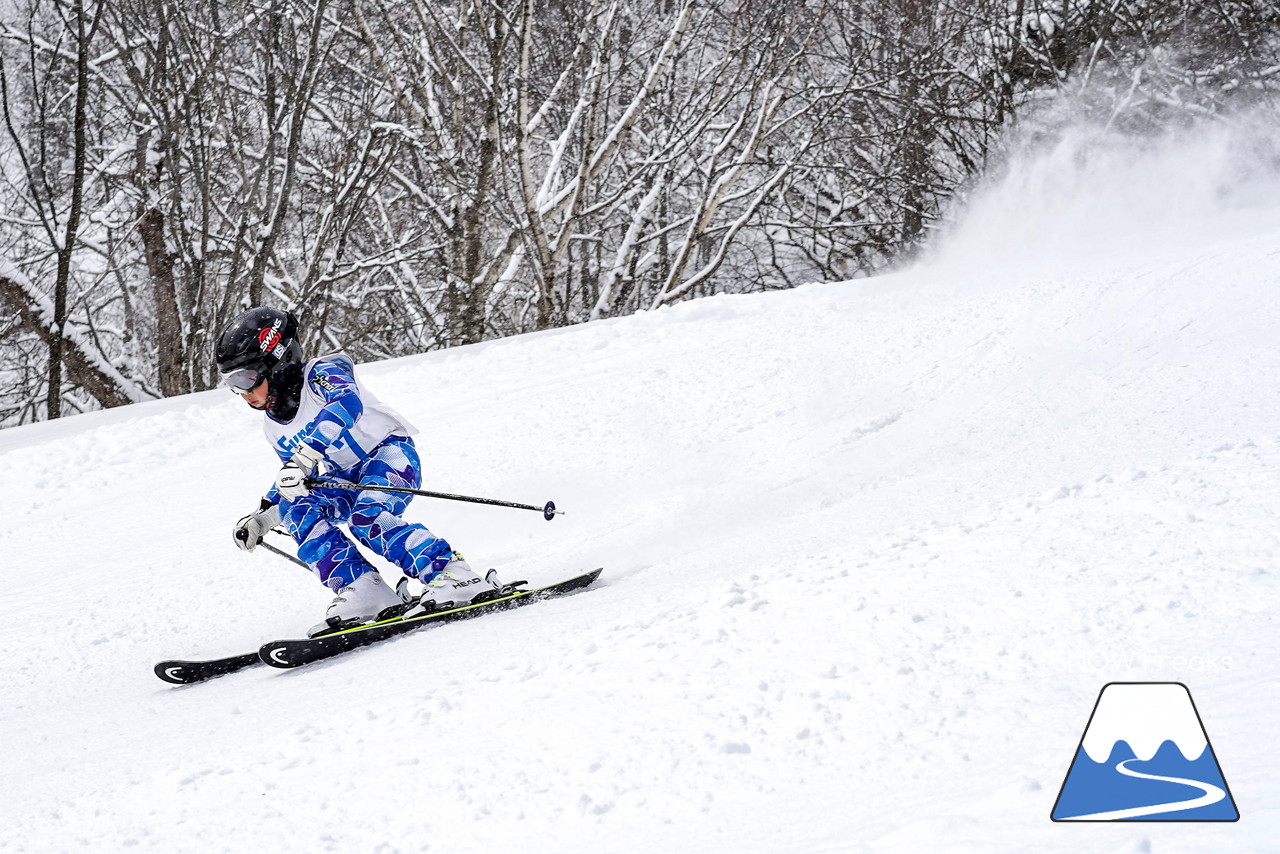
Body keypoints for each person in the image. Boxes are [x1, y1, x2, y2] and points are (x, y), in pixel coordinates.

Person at [215, 306, 498, 635]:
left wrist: (308, 453)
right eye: (231, 384)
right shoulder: (272, 426)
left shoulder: (324, 372)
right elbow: (295, 476)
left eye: (246, 378)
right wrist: (263, 516)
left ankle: (453, 574)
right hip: (342, 477)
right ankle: (364, 589)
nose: (243, 392)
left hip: (389, 455)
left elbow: (345, 404)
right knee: (298, 506)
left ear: (278, 363)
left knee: (369, 516)